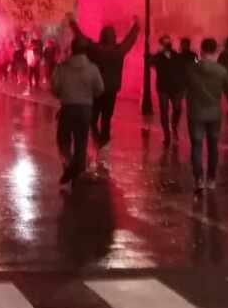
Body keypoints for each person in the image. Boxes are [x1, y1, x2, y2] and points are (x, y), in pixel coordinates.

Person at [69, 14, 140, 155]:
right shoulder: (119, 51)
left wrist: (72, 23)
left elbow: (81, 37)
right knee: (106, 119)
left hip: (97, 90)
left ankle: (97, 138)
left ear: (102, 36)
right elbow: (129, 40)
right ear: (113, 37)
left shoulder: (96, 50)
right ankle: (103, 142)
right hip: (111, 90)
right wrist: (136, 26)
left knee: (93, 118)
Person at [50, 42, 104, 190]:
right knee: (81, 142)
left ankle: (69, 166)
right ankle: (76, 172)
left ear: (72, 51)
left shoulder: (62, 68)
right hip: (85, 109)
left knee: (63, 140)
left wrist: (64, 93)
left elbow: (54, 88)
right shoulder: (93, 68)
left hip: (67, 109)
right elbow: (100, 89)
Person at [187, 38, 228, 193]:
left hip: (196, 113)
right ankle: (211, 178)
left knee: (197, 146)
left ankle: (198, 179)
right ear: (216, 51)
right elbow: (227, 86)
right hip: (214, 114)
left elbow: (186, 85)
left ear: (202, 50)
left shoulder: (191, 69)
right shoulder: (222, 71)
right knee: (213, 147)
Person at [149, 35, 187, 146]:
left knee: (177, 108)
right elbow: (150, 63)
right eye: (165, 42)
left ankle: (174, 126)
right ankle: (167, 135)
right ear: (161, 44)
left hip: (176, 87)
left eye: (168, 41)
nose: (167, 44)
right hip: (163, 87)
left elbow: (183, 69)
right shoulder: (158, 56)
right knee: (164, 110)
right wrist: (156, 53)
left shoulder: (177, 55)